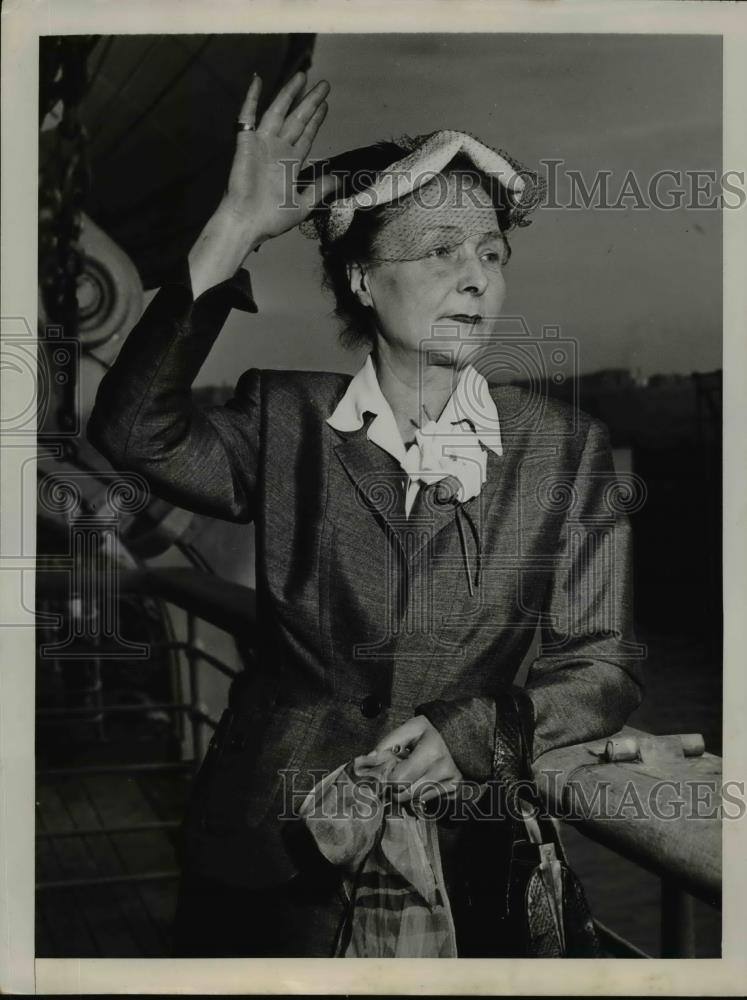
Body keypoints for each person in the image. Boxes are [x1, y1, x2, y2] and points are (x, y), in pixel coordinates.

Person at [87, 71, 644, 957]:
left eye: (491, 253)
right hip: (268, 856)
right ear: (360, 277)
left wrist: (474, 736)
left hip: (465, 861)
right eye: (439, 252)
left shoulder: (562, 449)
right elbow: (130, 432)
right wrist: (234, 229)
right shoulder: (284, 421)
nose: (474, 279)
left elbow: (602, 666)